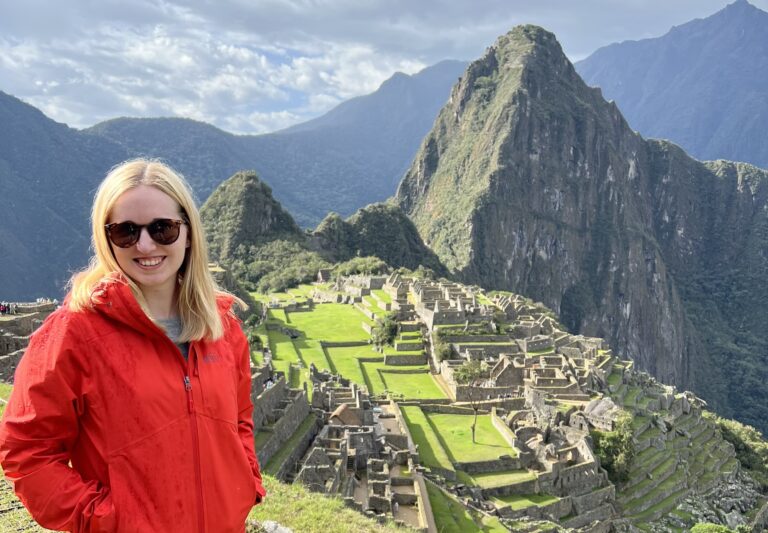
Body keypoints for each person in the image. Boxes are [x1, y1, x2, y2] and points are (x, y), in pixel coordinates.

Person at [0, 159, 266, 532]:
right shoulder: (74, 335)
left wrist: (245, 482)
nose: (145, 244)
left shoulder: (223, 330)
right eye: (125, 232)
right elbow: (28, 451)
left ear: (188, 232)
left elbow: (239, 420)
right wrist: (107, 519)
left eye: (163, 229)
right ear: (106, 238)